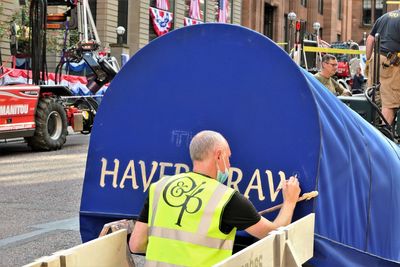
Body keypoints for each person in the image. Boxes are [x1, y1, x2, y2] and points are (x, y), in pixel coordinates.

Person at [129, 130, 301, 267]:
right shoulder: (228, 199)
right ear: (219, 155)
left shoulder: (159, 187)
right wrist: (290, 202)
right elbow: (275, 233)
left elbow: (136, 245)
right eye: (229, 157)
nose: (230, 164)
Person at [366, 9, 400, 126]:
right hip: (391, 64)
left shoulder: (384, 17)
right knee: (390, 103)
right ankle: (384, 137)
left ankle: (373, 131)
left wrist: (368, 59)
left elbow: (370, 39)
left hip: (375, 60)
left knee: (374, 98)